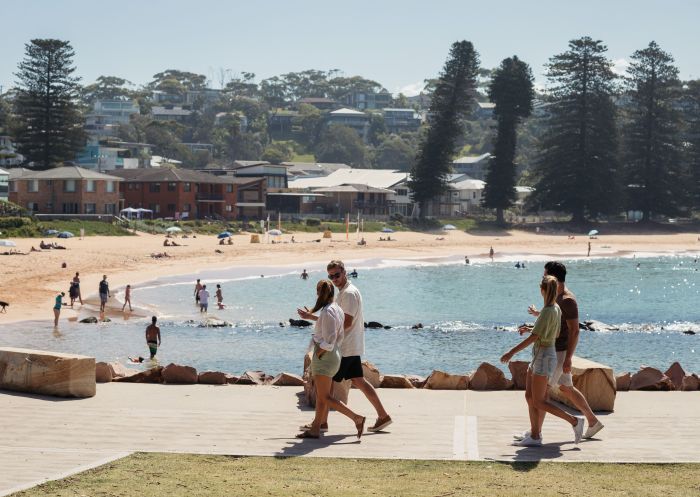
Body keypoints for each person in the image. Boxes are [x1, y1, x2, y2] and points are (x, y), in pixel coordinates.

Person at [299, 260, 392, 433]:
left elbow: (345, 323)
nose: (334, 279)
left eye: (337, 275)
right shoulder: (345, 292)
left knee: (326, 389)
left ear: (344, 272)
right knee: (357, 381)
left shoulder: (348, 294)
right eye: (331, 276)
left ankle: (322, 423)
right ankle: (382, 416)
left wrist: (326, 343)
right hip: (349, 346)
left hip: (345, 348)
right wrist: (312, 317)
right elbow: (334, 322)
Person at [520, 261, 604, 441]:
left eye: (544, 275)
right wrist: (537, 317)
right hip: (553, 350)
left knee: (540, 396)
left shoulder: (567, 300)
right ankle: (593, 421)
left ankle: (536, 434)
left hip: (557, 354)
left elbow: (574, 330)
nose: (542, 279)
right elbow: (551, 320)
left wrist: (568, 359)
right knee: (567, 388)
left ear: (553, 278)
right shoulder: (554, 298)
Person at [501, 275, 584, 447]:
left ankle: (574, 422)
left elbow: (535, 337)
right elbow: (553, 332)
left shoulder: (548, 311)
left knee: (539, 400)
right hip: (542, 354)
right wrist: (533, 329)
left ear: (542, 290)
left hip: (544, 357)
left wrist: (511, 352)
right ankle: (534, 435)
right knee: (529, 396)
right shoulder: (555, 309)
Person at [295, 279, 365, 439]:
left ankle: (356, 418)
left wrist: (320, 352)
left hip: (325, 356)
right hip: (333, 355)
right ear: (332, 292)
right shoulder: (336, 309)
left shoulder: (328, 311)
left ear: (319, 293)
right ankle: (316, 427)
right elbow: (335, 334)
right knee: (322, 395)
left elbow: (331, 338)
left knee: (325, 397)